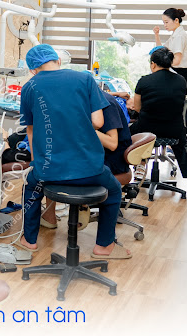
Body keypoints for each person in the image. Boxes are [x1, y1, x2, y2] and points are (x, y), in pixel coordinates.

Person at [18, 44, 131, 260]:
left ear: (32, 69)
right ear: (58, 61)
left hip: (48, 170)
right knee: (114, 190)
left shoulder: (29, 87)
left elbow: (30, 131)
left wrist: (36, 163)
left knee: (31, 188)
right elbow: (98, 122)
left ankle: (29, 240)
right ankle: (104, 246)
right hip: (89, 169)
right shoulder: (85, 79)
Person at [41, 90, 133, 228]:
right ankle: (51, 216)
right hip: (94, 152)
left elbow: (112, 144)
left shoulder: (106, 105)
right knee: (54, 161)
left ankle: (75, 208)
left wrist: (83, 126)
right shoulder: (84, 99)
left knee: (56, 167)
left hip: (113, 159)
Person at [130, 46, 187, 174]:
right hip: (174, 130)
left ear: (153, 64)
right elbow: (179, 104)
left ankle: (140, 164)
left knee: (125, 132)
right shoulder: (181, 81)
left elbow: (138, 108)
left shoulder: (144, 81)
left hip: (147, 129)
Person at [153, 8, 187, 88]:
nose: (165, 25)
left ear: (176, 20)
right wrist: (156, 35)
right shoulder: (175, 35)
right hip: (176, 74)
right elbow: (160, 50)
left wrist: (162, 65)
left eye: (166, 22)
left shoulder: (179, 36)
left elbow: (177, 61)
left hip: (180, 75)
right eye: (163, 23)